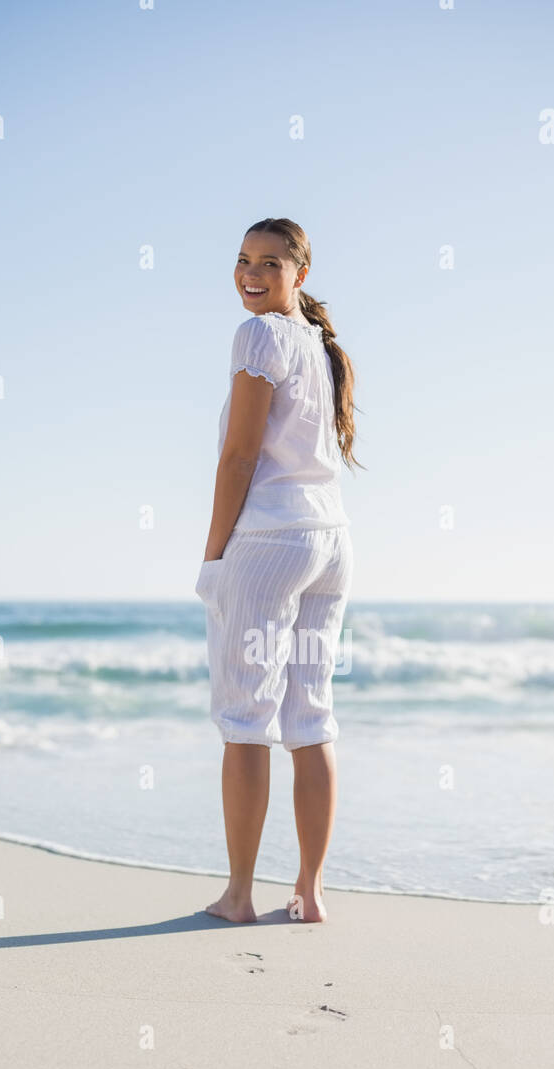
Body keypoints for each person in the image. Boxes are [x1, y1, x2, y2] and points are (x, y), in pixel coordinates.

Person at [195, 217, 360, 924]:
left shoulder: (260, 335)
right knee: (310, 717)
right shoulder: (322, 348)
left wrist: (212, 557)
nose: (250, 273)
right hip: (330, 543)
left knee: (245, 719)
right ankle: (309, 892)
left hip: (269, 544)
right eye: (241, 260)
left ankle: (238, 897)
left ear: (301, 272)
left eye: (268, 262)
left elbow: (240, 457)